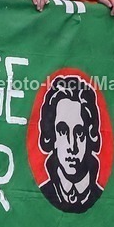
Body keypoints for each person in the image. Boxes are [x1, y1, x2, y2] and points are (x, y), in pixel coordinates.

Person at [37, 75, 105, 213]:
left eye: (79, 133)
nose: (72, 146)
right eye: (62, 131)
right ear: (51, 135)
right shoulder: (38, 195)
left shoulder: (105, 197)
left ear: (90, 134)